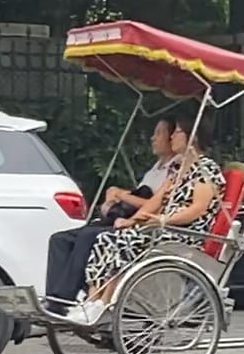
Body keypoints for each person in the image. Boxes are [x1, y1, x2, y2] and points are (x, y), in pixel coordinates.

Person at [65, 122, 224, 325]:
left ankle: (105, 302)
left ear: (192, 137)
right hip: (162, 228)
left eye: (177, 132)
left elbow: (197, 209)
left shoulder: (206, 168)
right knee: (106, 238)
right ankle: (92, 301)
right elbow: (155, 201)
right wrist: (132, 221)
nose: (172, 137)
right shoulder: (179, 169)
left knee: (123, 242)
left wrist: (165, 219)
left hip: (185, 233)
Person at [44, 116, 181, 310]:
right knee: (60, 239)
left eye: (159, 133)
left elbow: (156, 205)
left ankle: (64, 297)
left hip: (143, 224)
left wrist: (123, 196)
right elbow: (138, 195)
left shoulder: (175, 170)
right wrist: (115, 197)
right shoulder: (155, 169)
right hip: (122, 217)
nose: (153, 138)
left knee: (87, 237)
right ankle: (55, 298)